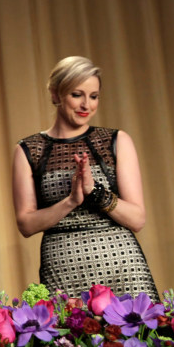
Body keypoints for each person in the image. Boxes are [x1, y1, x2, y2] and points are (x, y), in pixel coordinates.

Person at [12, 55, 158, 300]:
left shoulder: (116, 140)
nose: (86, 105)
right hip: (63, 270)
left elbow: (137, 219)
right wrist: (70, 201)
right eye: (77, 95)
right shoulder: (29, 149)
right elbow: (26, 225)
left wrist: (96, 193)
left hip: (122, 268)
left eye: (94, 96)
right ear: (56, 94)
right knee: (69, 337)